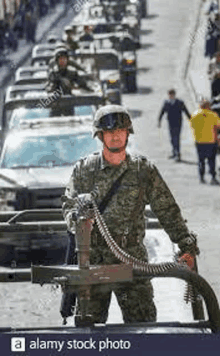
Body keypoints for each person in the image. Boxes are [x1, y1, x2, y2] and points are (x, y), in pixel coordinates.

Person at [61, 104, 200, 325]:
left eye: (120, 131)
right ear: (100, 135)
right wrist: (77, 219)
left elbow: (167, 210)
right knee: (88, 335)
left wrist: (186, 245)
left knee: (144, 329)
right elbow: (68, 205)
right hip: (93, 263)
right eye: (110, 132)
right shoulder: (84, 170)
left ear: (128, 133)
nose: (116, 136)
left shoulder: (143, 170)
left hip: (133, 262)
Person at [189, 99, 220, 184]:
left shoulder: (195, 115)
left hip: (199, 141)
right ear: (207, 106)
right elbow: (218, 126)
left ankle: (201, 177)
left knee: (201, 160)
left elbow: (192, 125)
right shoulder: (213, 115)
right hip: (211, 141)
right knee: (211, 160)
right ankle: (213, 177)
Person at [158, 89, 191, 162]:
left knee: (177, 138)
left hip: (178, 123)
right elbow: (162, 112)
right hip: (170, 123)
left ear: (174, 95)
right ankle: (174, 152)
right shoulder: (166, 103)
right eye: (170, 95)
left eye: (172, 95)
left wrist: (191, 119)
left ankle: (178, 154)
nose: (171, 96)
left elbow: (186, 111)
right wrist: (159, 121)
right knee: (172, 138)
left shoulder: (180, 102)